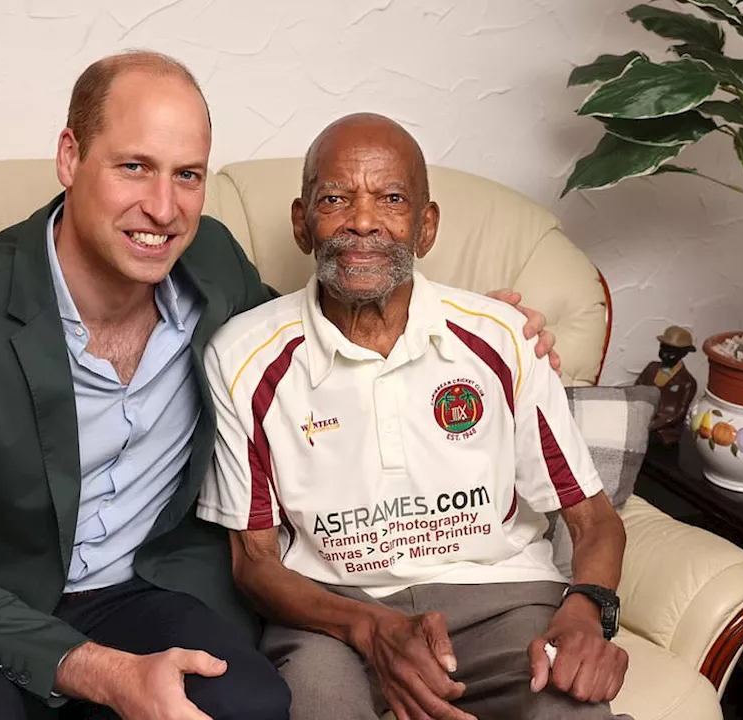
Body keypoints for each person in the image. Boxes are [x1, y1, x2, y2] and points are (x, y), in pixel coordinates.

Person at [0, 52, 561, 720]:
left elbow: (322, 335)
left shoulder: (212, 266)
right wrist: (103, 673)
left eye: (187, 175)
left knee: (254, 706)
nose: (163, 208)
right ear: (69, 157)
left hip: (139, 589)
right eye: (134, 167)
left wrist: (483, 328)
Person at [197, 113, 632, 720]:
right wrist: (372, 628)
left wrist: (586, 611)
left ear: (426, 227)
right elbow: (255, 564)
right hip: (333, 618)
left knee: (570, 711)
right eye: (335, 199)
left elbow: (593, 519)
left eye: (392, 199)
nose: (363, 221)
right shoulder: (243, 357)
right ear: (302, 224)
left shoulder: (502, 338)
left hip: (501, 606)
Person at [635, 325, 698, 446]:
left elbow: (676, 414)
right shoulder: (651, 368)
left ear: (684, 353)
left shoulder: (687, 382)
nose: (665, 355)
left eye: (671, 352)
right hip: (641, 419)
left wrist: (649, 426)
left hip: (663, 431)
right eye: (663, 349)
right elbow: (636, 390)